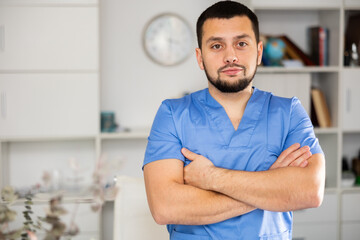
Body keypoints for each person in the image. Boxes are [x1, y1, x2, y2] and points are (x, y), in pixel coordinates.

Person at [143, 1, 325, 239]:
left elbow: (310, 191)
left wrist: (211, 178)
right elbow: (165, 207)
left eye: (241, 44)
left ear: (259, 52)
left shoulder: (288, 112)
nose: (230, 56)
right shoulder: (173, 114)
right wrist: (271, 185)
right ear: (200, 57)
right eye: (217, 45)